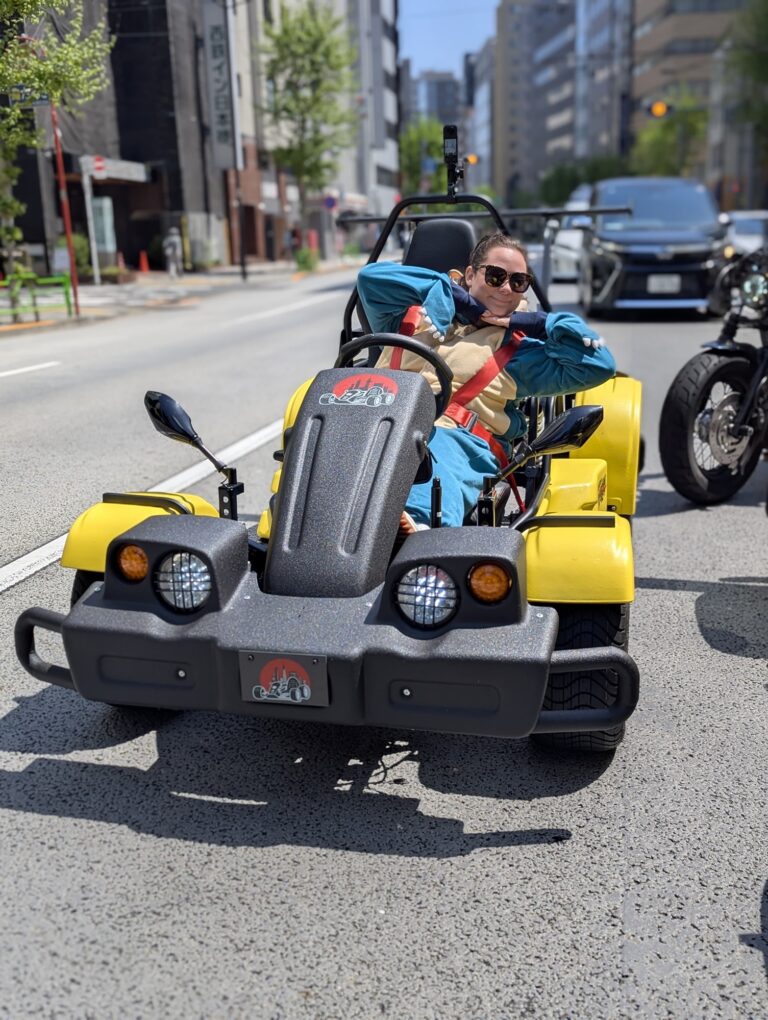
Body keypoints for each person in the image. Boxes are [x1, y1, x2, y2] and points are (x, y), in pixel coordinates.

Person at [356, 231, 616, 531]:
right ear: (470, 274)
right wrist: (447, 293)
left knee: (433, 454)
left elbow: (600, 364)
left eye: (518, 282)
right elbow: (370, 279)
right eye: (495, 276)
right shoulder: (410, 313)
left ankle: (416, 525)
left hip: (455, 440)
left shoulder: (521, 352)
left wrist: (535, 322)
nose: (506, 288)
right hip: (378, 421)